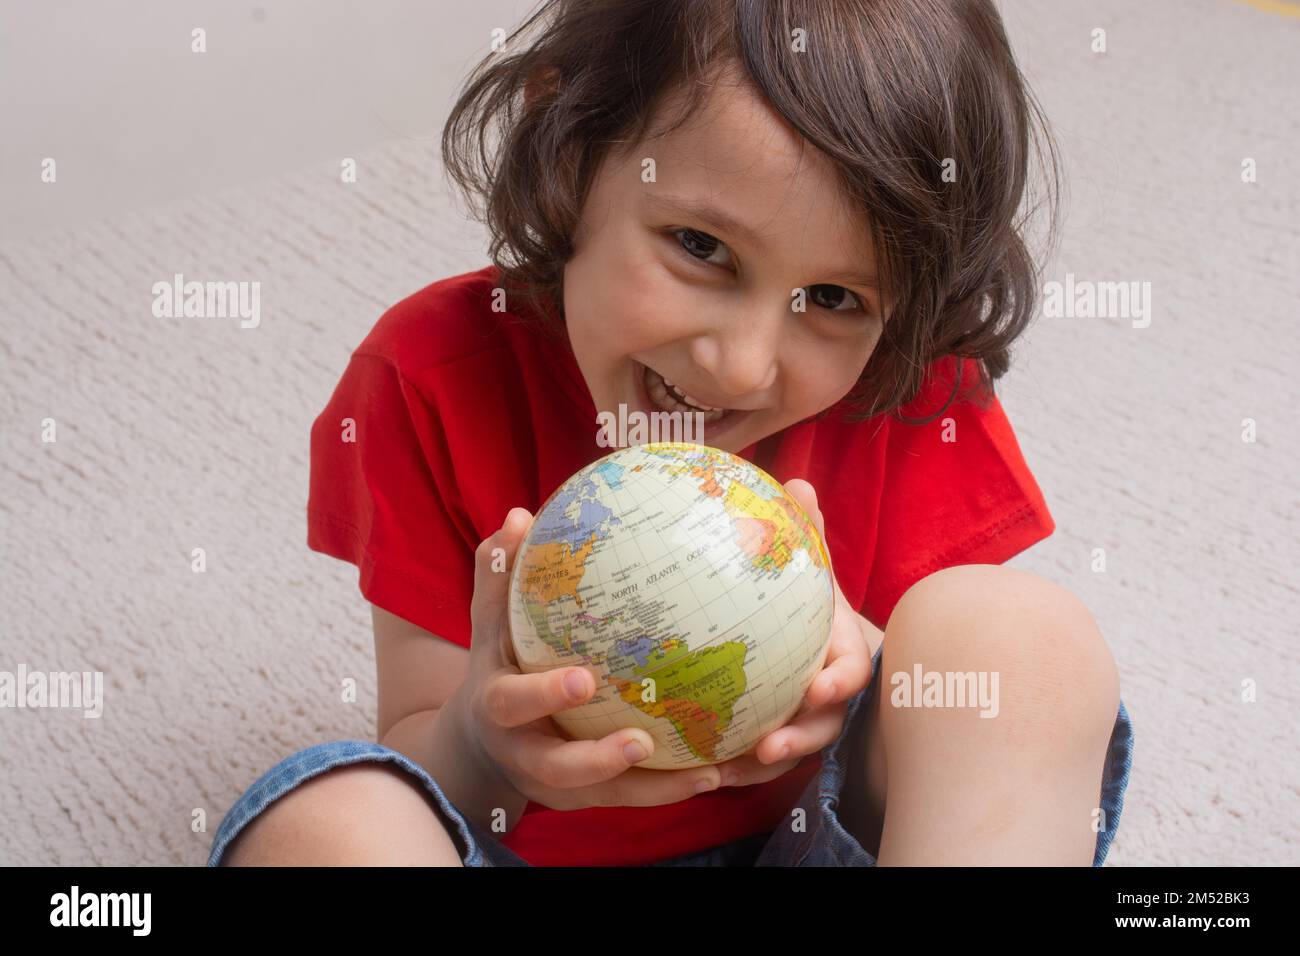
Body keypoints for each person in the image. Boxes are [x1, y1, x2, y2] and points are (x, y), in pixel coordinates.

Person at [208, 0, 1133, 867]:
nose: (740, 364)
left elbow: (947, 729)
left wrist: (866, 660)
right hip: (525, 847)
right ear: (569, 152)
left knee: (1024, 639)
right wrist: (484, 741)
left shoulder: (904, 394)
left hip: (823, 838)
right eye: (701, 247)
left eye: (836, 300)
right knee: (328, 819)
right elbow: (426, 757)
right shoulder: (431, 377)